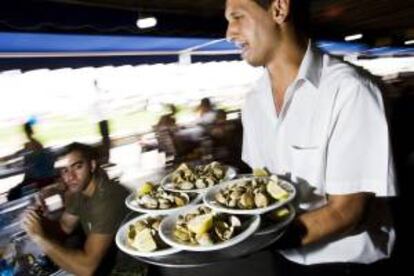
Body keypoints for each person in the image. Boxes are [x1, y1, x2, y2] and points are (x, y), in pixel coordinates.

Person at [225, 0, 396, 275]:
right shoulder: (254, 100)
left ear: (279, 9)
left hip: (344, 266)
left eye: (237, 16)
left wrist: (246, 241)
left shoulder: (350, 90)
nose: (229, 32)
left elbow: (347, 213)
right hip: (284, 259)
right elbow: (259, 184)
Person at [21, 142, 129, 276]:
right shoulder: (79, 191)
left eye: (77, 167)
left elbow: (87, 268)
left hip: (129, 269)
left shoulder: (108, 198)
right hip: (106, 262)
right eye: (65, 170)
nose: (70, 177)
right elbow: (65, 226)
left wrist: (39, 237)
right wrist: (38, 220)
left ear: (92, 165)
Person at [4, 122, 55, 201]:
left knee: (12, 193)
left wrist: (9, 162)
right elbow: (20, 156)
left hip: (37, 180)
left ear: (25, 132)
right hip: (40, 178)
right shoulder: (38, 144)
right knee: (14, 191)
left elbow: (21, 157)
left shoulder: (31, 145)